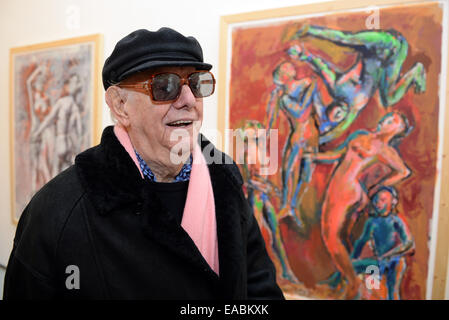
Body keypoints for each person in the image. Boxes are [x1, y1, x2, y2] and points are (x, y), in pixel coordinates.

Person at [4, 28, 284, 300]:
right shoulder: (57, 211)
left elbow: (259, 287)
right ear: (120, 105)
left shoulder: (225, 181)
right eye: (165, 86)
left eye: (197, 83)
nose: (188, 100)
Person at [308, 111, 412, 299]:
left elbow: (404, 172)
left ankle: (352, 281)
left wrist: (377, 187)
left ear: (396, 131)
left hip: (348, 190)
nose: (385, 121)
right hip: (336, 185)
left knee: (330, 236)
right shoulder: (361, 135)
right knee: (340, 235)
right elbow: (338, 155)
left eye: (392, 122)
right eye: (387, 118)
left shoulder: (384, 150)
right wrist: (315, 157)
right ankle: (345, 277)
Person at [287, 25, 426, 144]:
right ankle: (416, 71)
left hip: (381, 44)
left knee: (345, 39)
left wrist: (304, 56)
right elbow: (339, 130)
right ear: (344, 118)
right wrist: (317, 140)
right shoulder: (354, 107)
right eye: (339, 117)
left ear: (331, 106)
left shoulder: (336, 87)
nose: (339, 112)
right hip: (392, 57)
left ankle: (310, 29)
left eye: (334, 113)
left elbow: (322, 67)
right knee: (388, 99)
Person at [324, 186, 414, 300]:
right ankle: (338, 283)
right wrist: (351, 259)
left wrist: (390, 255)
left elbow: (409, 243)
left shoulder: (396, 221)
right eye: (376, 200)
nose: (378, 203)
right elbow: (360, 243)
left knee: (393, 292)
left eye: (383, 200)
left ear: (393, 202)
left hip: (395, 262)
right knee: (363, 277)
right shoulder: (371, 222)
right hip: (378, 262)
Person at [32, 73, 83, 176]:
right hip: (70, 144)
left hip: (61, 141)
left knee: (55, 175)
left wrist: (37, 132)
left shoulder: (62, 102)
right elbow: (79, 131)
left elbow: (48, 120)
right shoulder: (75, 107)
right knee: (71, 176)